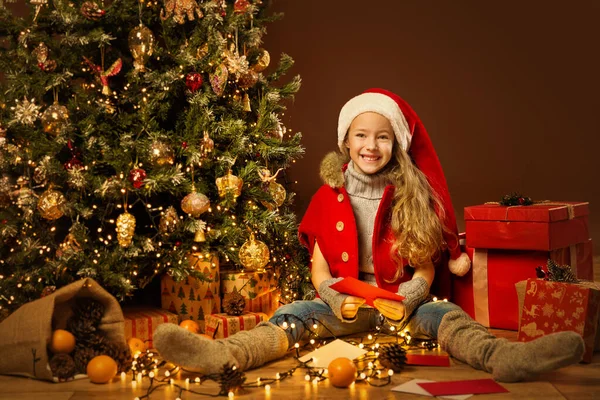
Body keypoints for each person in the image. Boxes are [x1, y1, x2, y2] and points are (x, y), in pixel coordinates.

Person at [154, 88, 584, 382]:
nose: (371, 146)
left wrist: (411, 298)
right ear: (346, 141)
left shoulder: (410, 197)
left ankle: (502, 358)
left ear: (395, 145)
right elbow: (319, 266)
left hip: (402, 305)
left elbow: (423, 267)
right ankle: (228, 354)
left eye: (382, 138)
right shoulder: (329, 194)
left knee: (446, 316)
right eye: (361, 136)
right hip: (345, 303)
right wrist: (335, 297)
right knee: (295, 313)